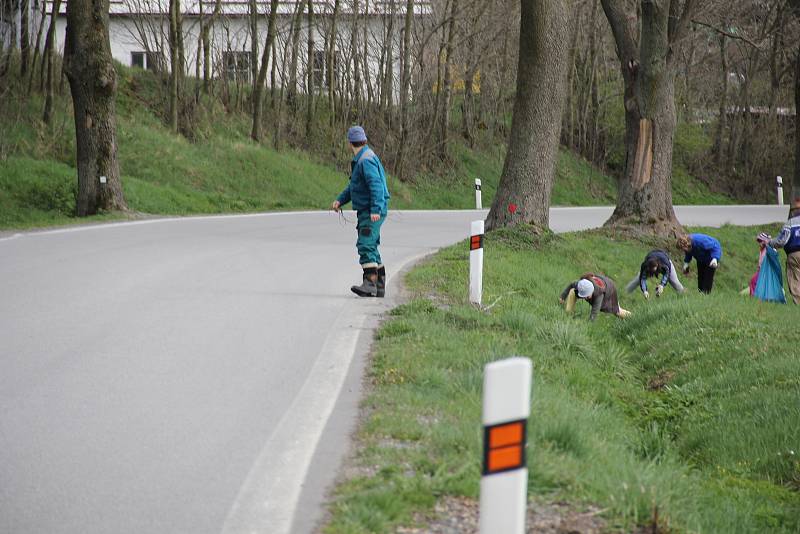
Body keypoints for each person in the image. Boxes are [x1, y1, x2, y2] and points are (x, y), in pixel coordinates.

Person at [331, 126, 391, 297]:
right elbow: (354, 187)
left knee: (365, 244)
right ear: (364, 140)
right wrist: (340, 200)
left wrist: (376, 209)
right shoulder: (365, 157)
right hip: (369, 209)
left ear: (350, 143)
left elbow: (376, 185)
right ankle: (379, 286)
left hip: (371, 210)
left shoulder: (365, 160)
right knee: (371, 245)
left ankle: (370, 283)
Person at [560, 273, 631, 320]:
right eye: (583, 296)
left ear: (591, 291)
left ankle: (630, 317)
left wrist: (589, 324)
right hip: (601, 281)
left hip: (610, 290)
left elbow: (594, 313)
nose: (585, 298)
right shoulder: (581, 284)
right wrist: (562, 297)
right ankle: (568, 313)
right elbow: (571, 285)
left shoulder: (598, 296)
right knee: (573, 291)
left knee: (617, 311)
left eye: (587, 296)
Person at [768, 203, 800, 304]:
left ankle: (798, 303)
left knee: (795, 279)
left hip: (794, 254)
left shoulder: (790, 223)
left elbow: (781, 241)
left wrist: (770, 242)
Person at [750, 232, 786, 304]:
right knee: (754, 281)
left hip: (767, 272)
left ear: (765, 241)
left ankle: (756, 297)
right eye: (758, 241)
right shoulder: (762, 250)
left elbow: (774, 260)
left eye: (760, 241)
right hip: (761, 271)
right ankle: (756, 297)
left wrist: (767, 245)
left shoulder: (770, 249)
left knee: (754, 281)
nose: (759, 243)